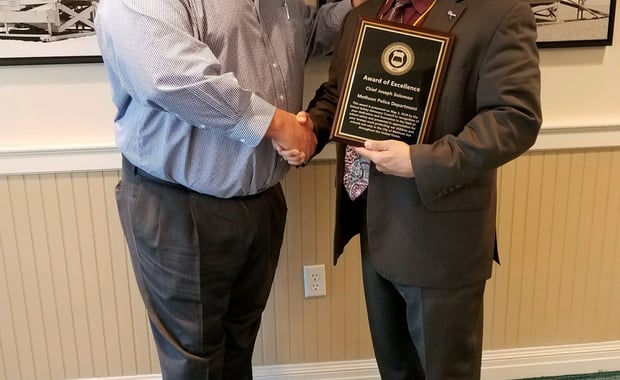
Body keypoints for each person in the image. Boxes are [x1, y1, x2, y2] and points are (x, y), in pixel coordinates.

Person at [94, 0, 366, 379]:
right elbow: (173, 77)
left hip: (261, 202)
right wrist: (277, 123)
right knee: (196, 363)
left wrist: (352, 6)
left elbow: (307, 35)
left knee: (239, 347)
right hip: (181, 207)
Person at [282, 0, 543, 378]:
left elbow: (515, 119)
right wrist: (310, 130)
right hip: (375, 230)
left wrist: (419, 162)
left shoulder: (500, 13)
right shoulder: (363, 16)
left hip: (442, 242)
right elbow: (339, 95)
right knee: (396, 370)